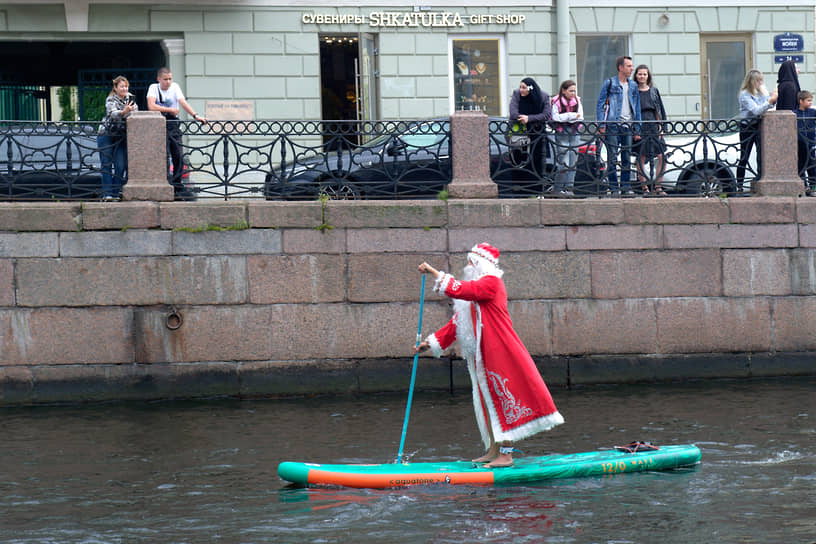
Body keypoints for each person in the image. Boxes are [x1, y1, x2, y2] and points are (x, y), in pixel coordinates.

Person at [415, 243, 564, 468]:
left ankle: (506, 455)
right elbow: (458, 323)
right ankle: (494, 450)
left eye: (470, 262)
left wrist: (434, 272)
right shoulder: (476, 291)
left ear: (478, 264)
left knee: (502, 399)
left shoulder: (491, 283)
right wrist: (431, 343)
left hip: (500, 351)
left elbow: (460, 289)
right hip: (484, 355)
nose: (467, 267)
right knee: (487, 402)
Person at [147, 67, 206, 199]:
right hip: (158, 123)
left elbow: (183, 102)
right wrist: (170, 109)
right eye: (165, 79)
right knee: (163, 155)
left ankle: (177, 185)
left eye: (170, 79)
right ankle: (165, 182)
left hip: (173, 123)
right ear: (159, 79)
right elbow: (151, 106)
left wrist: (196, 116)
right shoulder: (153, 88)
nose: (168, 82)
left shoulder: (175, 87)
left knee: (178, 154)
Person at [596, 55, 641, 196]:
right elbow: (600, 104)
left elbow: (637, 107)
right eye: (629, 66)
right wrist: (601, 124)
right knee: (612, 158)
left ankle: (626, 187)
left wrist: (637, 128)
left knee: (627, 157)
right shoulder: (610, 83)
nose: (632, 68)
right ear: (621, 67)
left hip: (628, 125)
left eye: (632, 66)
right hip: (612, 125)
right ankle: (614, 188)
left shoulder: (633, 85)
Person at [97, 75, 137, 201]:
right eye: (122, 86)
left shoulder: (130, 98)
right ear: (115, 88)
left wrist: (132, 110)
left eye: (126, 86)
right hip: (106, 133)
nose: (124, 89)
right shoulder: (110, 99)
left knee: (121, 165)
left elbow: (135, 114)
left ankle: (115, 193)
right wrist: (124, 111)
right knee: (107, 164)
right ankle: (107, 194)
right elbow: (112, 114)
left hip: (121, 135)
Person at [736, 69, 778, 191]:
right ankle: (739, 185)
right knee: (744, 156)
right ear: (752, 81)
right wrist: (770, 101)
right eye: (759, 80)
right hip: (747, 128)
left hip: (759, 126)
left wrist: (772, 100)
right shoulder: (745, 95)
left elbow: (767, 106)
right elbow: (756, 110)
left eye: (761, 80)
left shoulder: (761, 92)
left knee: (761, 154)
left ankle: (760, 179)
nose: (761, 83)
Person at [508, 78, 552, 181]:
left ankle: (535, 190)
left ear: (530, 89)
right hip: (519, 133)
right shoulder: (516, 94)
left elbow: (546, 115)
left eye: (524, 87)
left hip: (537, 134)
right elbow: (513, 112)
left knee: (536, 161)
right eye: (520, 87)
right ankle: (519, 190)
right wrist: (522, 118)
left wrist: (529, 119)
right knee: (518, 160)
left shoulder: (543, 96)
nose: (521, 90)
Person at [633, 65, 667, 195]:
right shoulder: (633, 91)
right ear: (636, 76)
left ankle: (658, 186)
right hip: (640, 126)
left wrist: (661, 127)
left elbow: (658, 109)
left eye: (644, 74)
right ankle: (645, 187)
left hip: (653, 125)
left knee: (662, 156)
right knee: (641, 157)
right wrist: (635, 130)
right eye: (640, 74)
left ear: (648, 76)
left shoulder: (653, 91)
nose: (642, 76)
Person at [551, 79, 583, 197]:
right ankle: (558, 189)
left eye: (574, 91)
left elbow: (581, 116)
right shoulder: (556, 101)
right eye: (570, 91)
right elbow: (555, 117)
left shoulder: (577, 101)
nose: (573, 93)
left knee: (573, 161)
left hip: (574, 131)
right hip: (561, 132)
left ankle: (569, 188)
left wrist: (567, 117)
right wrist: (571, 116)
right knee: (563, 161)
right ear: (563, 91)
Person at [795, 90, 816, 194]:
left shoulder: (812, 112)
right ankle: (804, 186)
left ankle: (813, 186)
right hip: (799, 144)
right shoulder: (795, 113)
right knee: (801, 166)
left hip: (811, 143)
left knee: (812, 165)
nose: (810, 103)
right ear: (801, 101)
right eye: (808, 100)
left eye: (811, 100)